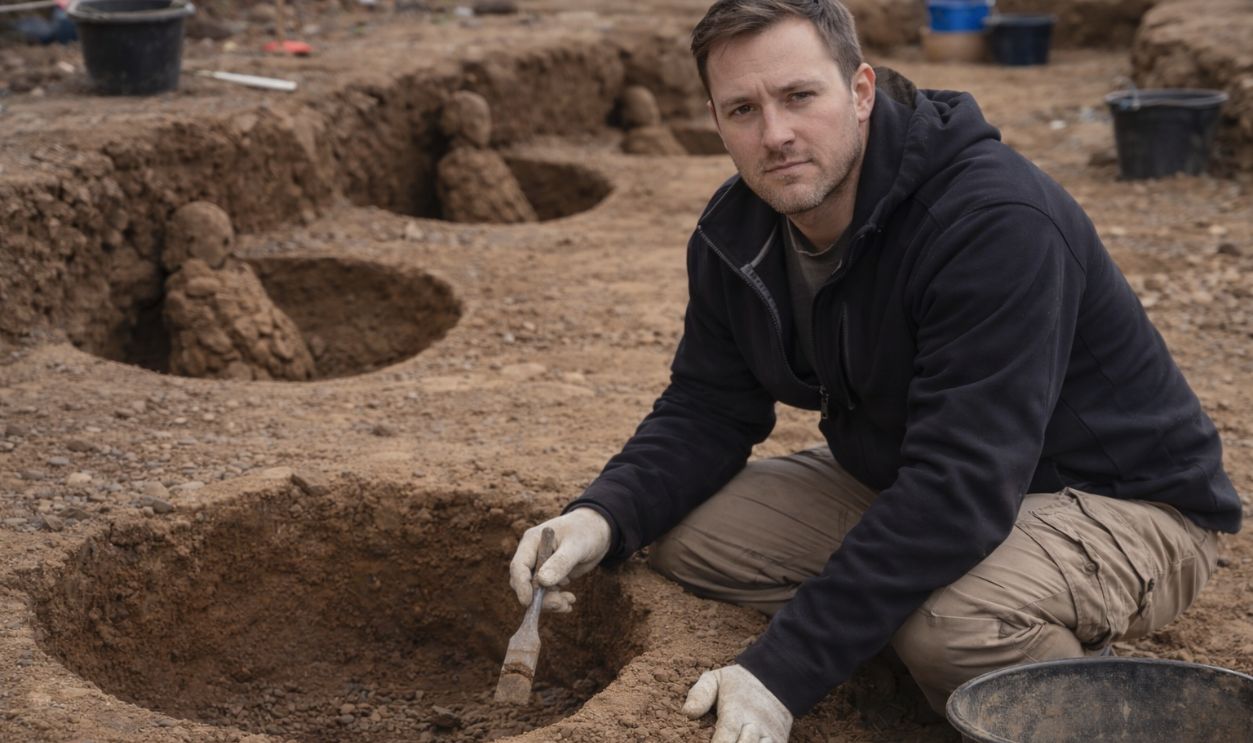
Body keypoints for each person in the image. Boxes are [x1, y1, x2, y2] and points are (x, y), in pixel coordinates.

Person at [508, 1, 1243, 740]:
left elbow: (961, 481)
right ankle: (915, 604)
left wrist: (780, 672)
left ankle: (1077, 699)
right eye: (742, 109)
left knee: (951, 625)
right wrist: (600, 513)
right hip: (922, 476)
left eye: (799, 96)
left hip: (1121, 500)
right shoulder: (736, 231)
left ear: (860, 91)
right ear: (715, 118)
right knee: (679, 530)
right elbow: (708, 405)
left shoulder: (992, 221)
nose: (775, 134)